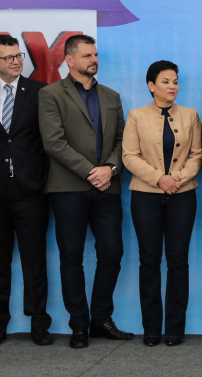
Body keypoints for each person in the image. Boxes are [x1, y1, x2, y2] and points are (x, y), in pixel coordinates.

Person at [38, 34, 132, 349]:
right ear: (70, 60)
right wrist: (91, 172)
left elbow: (123, 140)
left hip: (108, 186)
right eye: (88, 55)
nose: (94, 60)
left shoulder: (111, 95)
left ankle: (101, 319)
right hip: (68, 188)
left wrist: (111, 169)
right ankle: (78, 324)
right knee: (71, 257)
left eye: (95, 54)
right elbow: (53, 142)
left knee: (112, 253)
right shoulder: (51, 94)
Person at [0, 34, 52, 348]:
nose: (16, 61)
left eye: (18, 55)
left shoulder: (40, 92)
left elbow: (49, 141)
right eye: (8, 57)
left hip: (31, 190)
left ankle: (39, 324)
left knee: (35, 261)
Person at [123, 61, 202, 347]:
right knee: (149, 261)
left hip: (183, 194)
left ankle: (175, 330)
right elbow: (129, 156)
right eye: (166, 82)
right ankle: (152, 329)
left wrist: (176, 178)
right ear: (151, 85)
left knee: (178, 262)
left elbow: (198, 155)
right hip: (145, 195)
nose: (172, 87)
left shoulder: (191, 115)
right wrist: (159, 179)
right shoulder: (136, 116)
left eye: (176, 82)